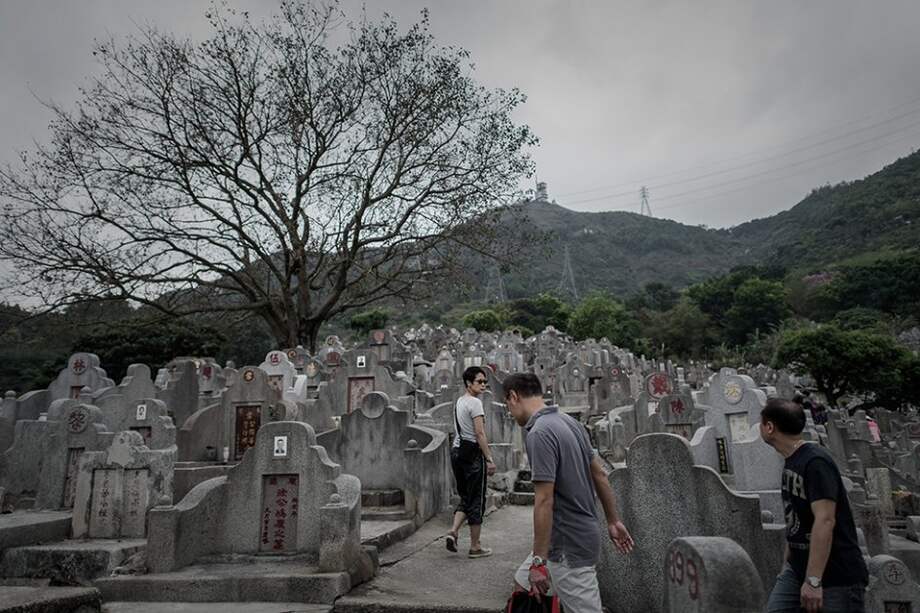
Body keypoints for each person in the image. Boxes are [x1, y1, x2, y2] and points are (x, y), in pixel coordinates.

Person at [503, 372, 634, 613]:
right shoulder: (569, 422)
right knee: (522, 586)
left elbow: (544, 500)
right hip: (572, 535)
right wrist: (613, 520)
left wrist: (539, 563)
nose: (510, 413)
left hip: (566, 545)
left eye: (507, 405)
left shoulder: (539, 433)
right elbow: (600, 475)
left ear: (513, 396)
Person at [760, 398, 868, 613]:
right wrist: (787, 566)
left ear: (770, 427)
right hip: (797, 569)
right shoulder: (791, 461)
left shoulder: (815, 462)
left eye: (761, 423)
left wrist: (813, 581)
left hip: (836, 575)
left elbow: (825, 520)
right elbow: (796, 520)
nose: (759, 428)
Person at [446, 366, 497, 558]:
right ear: (469, 383)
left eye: (485, 382)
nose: (483, 385)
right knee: (476, 499)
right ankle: (475, 546)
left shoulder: (459, 401)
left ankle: (453, 531)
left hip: (457, 452)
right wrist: (489, 458)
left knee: (465, 496)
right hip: (472, 455)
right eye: (479, 381)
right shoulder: (475, 403)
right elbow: (479, 433)